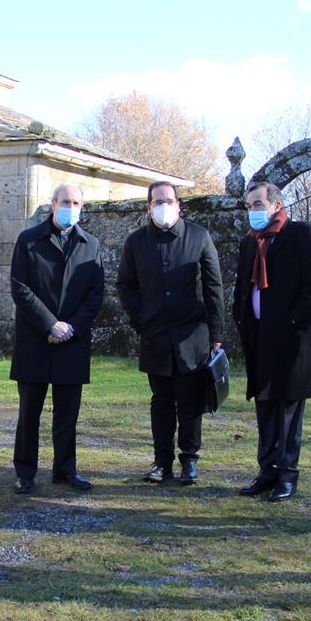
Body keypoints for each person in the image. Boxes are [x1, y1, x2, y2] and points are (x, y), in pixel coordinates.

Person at [116, 181, 224, 485]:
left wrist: (217, 332)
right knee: (161, 401)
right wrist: (141, 321)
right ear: (149, 207)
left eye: (169, 200)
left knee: (190, 401)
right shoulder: (136, 241)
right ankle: (161, 462)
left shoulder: (199, 236)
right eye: (157, 201)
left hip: (192, 334)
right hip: (155, 335)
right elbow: (125, 285)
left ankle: (189, 459)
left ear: (179, 204)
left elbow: (214, 286)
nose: (163, 205)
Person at [232, 182, 311, 502]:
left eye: (258, 204)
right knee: (264, 406)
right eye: (249, 206)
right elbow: (243, 287)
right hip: (259, 338)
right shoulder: (251, 243)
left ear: (276, 204)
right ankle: (267, 471)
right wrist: (241, 318)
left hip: (291, 340)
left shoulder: (303, 235)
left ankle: (288, 474)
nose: (253, 211)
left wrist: (292, 322)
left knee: (288, 408)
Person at [9, 183, 105, 494]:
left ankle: (65, 469)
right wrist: (50, 325)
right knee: (29, 414)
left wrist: (71, 327)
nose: (71, 207)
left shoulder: (90, 245)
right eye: (66, 201)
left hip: (73, 341)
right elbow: (20, 289)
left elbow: (95, 293)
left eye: (77, 202)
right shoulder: (29, 240)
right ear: (52, 203)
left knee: (68, 414)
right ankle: (25, 472)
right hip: (35, 339)